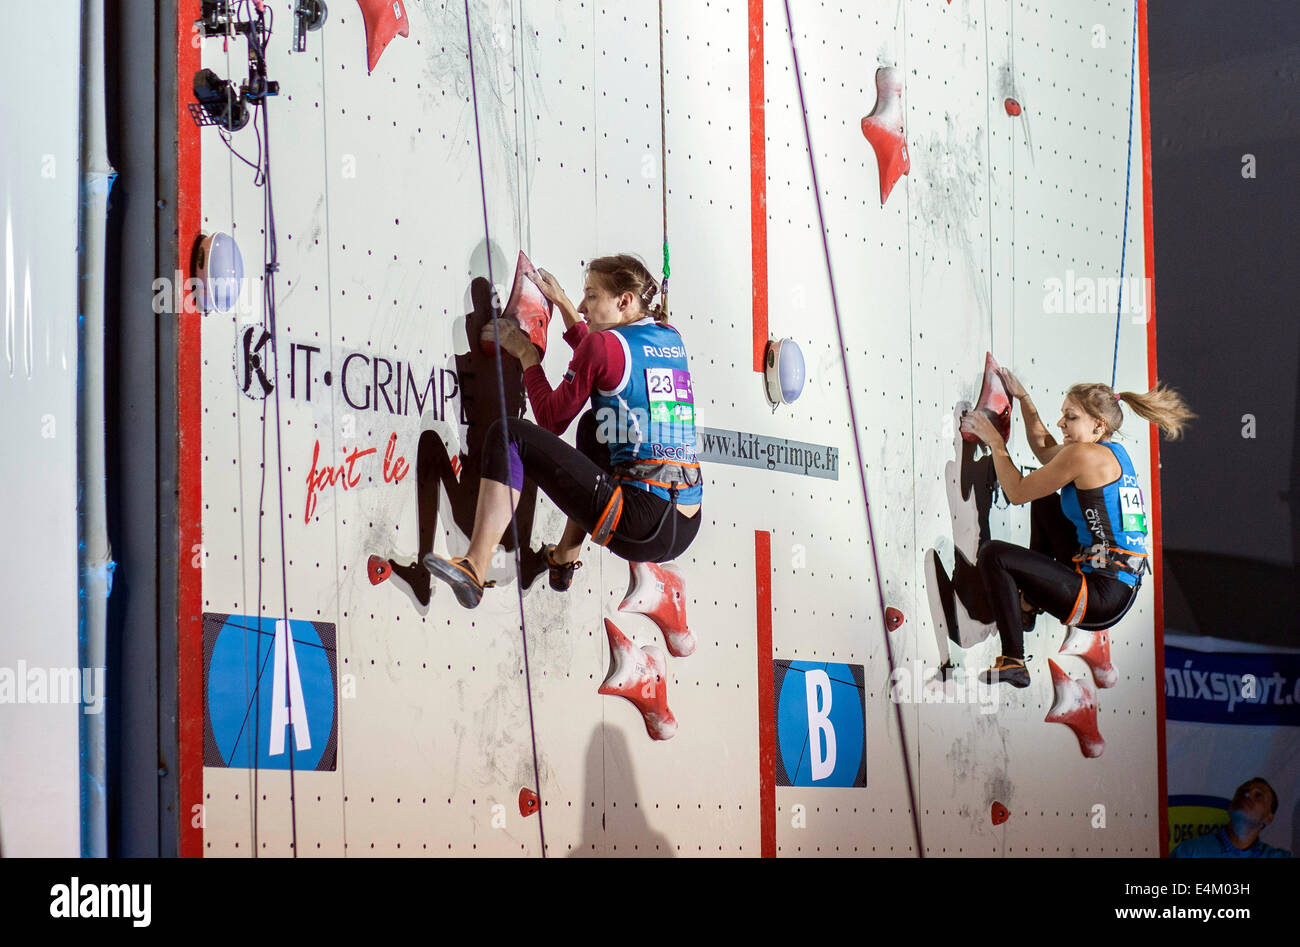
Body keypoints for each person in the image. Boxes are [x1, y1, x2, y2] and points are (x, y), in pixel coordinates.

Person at [423, 254, 703, 608]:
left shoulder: (602, 347)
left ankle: (474, 567)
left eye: (591, 296)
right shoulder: (670, 337)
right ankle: (563, 558)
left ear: (625, 300)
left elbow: (552, 420)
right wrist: (566, 307)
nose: (584, 306)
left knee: (509, 434)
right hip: (684, 522)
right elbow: (607, 361)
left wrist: (527, 355)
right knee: (593, 427)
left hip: (638, 522)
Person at [960, 369, 1195, 687]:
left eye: (1070, 417)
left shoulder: (1086, 456)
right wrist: (1024, 399)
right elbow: (1045, 451)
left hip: (1101, 596)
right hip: (1109, 578)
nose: (1061, 424)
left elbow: (1015, 492)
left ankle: (1014, 660)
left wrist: (993, 441)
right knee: (1045, 504)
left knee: (994, 555)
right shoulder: (1109, 452)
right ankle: (1028, 604)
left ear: (1098, 425)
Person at [1172, 778, 1292, 857]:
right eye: (1243, 791)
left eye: (1258, 795)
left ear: (1269, 818)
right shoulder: (1190, 851)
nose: (1247, 795)